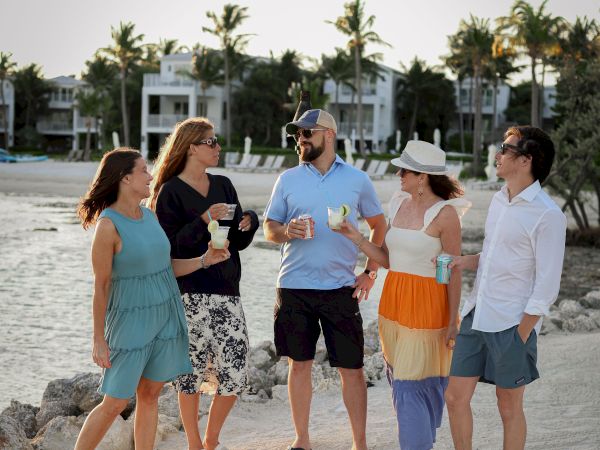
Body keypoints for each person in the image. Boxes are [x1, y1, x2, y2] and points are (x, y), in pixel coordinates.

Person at [74, 148, 230, 450]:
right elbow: (101, 286)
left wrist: (203, 260)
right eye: (144, 170)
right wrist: (98, 339)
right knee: (115, 401)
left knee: (150, 395)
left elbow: (164, 267)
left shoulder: (149, 215)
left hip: (165, 316)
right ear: (126, 178)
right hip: (129, 323)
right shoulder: (108, 227)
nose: (150, 175)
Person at [263, 109, 387, 450]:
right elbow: (269, 228)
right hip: (293, 287)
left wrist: (369, 272)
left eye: (307, 132)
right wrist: (287, 231)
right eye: (297, 134)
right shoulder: (287, 179)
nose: (300, 138)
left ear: (329, 134)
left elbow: (379, 224)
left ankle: (359, 443)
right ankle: (302, 440)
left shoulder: (357, 180)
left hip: (340, 288)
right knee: (298, 365)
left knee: (352, 370)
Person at [335, 140, 470, 449]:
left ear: (421, 176)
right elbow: (387, 260)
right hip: (393, 306)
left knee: (411, 388)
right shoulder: (398, 203)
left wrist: (452, 320)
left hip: (427, 308)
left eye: (404, 170)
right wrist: (355, 237)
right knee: (401, 384)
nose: (398, 173)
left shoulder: (445, 215)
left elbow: (452, 270)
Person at [445, 126, 567, 450]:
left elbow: (547, 284)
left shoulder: (548, 214)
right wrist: (461, 261)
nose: (497, 154)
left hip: (513, 322)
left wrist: (523, 331)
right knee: (455, 398)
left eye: (505, 148)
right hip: (476, 313)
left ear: (525, 160)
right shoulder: (500, 200)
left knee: (509, 406)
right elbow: (495, 256)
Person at [149, 117, 259, 450]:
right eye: (211, 142)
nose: (218, 147)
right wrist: (204, 219)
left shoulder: (224, 184)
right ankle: (196, 444)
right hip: (189, 297)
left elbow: (236, 242)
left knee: (236, 374)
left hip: (227, 293)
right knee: (190, 377)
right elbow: (169, 249)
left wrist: (250, 221)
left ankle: (211, 439)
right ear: (192, 147)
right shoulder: (169, 192)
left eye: (216, 141)